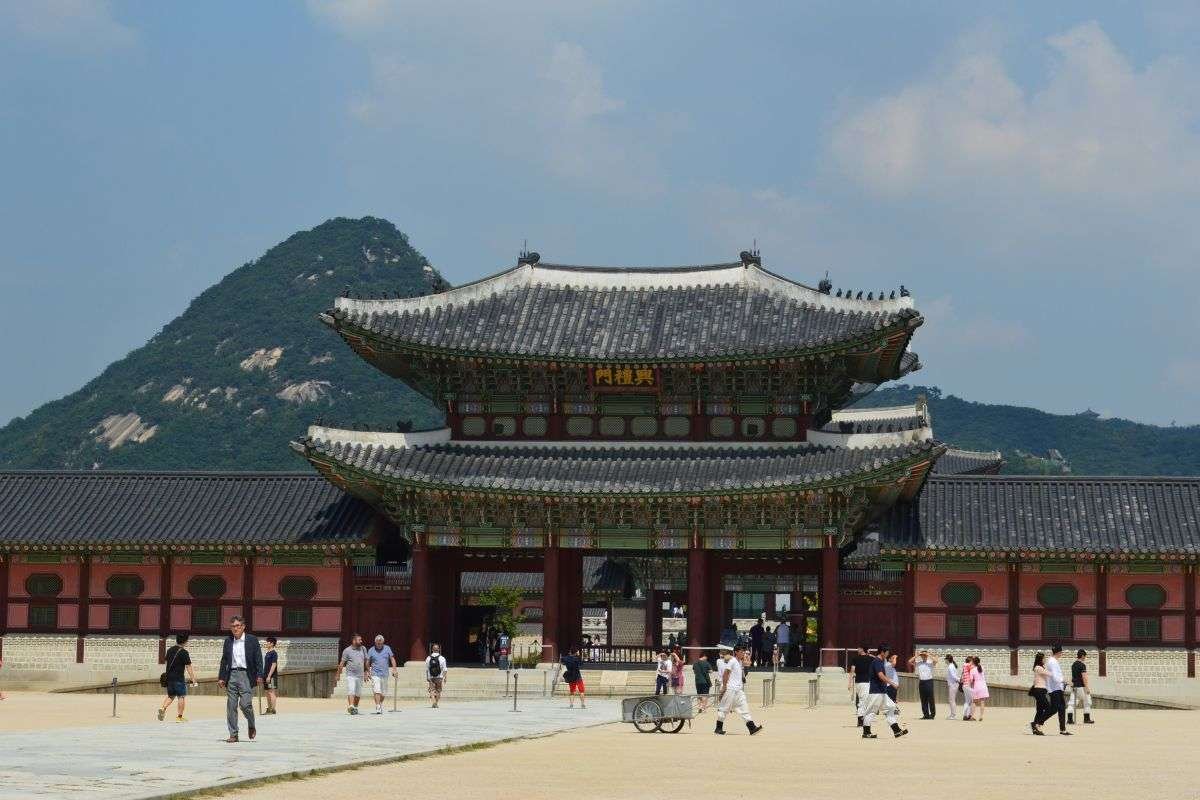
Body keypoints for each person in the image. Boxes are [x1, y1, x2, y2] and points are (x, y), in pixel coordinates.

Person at [217, 615, 263, 743]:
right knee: (231, 706)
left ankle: (251, 723)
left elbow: (258, 658)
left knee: (245, 704)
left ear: (243, 627)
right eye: (233, 626)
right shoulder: (228, 641)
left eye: (237, 626)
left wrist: (259, 675)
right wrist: (221, 677)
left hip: (246, 675)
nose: (235, 628)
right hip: (231, 674)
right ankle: (233, 734)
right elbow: (224, 660)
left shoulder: (252, 640)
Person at [714, 644, 763, 735]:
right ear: (736, 652)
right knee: (724, 708)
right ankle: (718, 728)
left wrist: (746, 657)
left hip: (738, 690)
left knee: (744, 707)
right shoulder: (732, 661)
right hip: (730, 688)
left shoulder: (739, 661)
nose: (743, 653)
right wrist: (724, 687)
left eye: (744, 651)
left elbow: (748, 663)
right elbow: (725, 673)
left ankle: (752, 728)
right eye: (741, 651)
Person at [861, 644, 907, 739]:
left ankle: (897, 731)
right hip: (876, 692)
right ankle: (866, 732)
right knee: (871, 711)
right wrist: (892, 683)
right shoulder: (877, 662)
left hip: (882, 691)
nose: (888, 654)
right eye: (887, 652)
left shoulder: (880, 661)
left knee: (890, 708)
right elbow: (881, 675)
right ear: (882, 652)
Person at [157, 633, 196, 722]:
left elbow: (167, 662)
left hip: (169, 678)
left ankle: (163, 708)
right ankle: (179, 717)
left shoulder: (170, 650)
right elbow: (188, 666)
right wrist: (193, 679)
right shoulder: (184, 652)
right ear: (185, 641)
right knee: (181, 696)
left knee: (171, 695)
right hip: (179, 678)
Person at [335, 633, 368, 715]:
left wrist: (367, 672)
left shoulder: (363, 649)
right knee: (351, 690)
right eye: (359, 640)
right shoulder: (347, 650)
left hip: (360, 675)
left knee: (358, 693)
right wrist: (338, 674)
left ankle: (355, 707)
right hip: (351, 675)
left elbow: (366, 661)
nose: (361, 641)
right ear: (354, 641)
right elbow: (342, 663)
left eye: (361, 640)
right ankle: (351, 706)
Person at [367, 634, 397, 715]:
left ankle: (379, 704)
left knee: (383, 692)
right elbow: (367, 661)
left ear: (383, 642)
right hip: (375, 673)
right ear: (375, 642)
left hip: (385, 673)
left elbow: (392, 659)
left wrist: (394, 669)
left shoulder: (387, 648)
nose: (379, 644)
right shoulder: (371, 650)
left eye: (380, 643)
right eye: (378, 643)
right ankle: (378, 706)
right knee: (377, 690)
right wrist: (367, 671)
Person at [1045, 644, 1071, 735]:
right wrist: (1065, 681)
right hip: (1054, 689)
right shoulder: (1052, 662)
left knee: (1061, 708)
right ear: (1059, 652)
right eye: (1061, 652)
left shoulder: (1053, 661)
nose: (1061, 654)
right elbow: (1056, 677)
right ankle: (1037, 722)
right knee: (1054, 709)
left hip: (1057, 688)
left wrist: (1063, 683)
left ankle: (1063, 729)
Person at [848, 645, 874, 727]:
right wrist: (869, 654)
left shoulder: (855, 659)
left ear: (862, 649)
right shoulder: (870, 659)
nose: (857, 649)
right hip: (866, 682)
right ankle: (860, 720)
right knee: (863, 701)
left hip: (858, 682)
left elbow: (852, 670)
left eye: (859, 648)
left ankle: (861, 719)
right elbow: (879, 659)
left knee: (862, 700)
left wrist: (850, 682)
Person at [1067, 649, 1094, 725]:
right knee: (1087, 702)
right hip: (1081, 687)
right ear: (1082, 656)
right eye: (1085, 656)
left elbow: (1073, 676)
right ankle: (1086, 719)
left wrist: (1071, 684)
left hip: (1074, 686)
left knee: (1072, 703)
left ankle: (1069, 720)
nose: (1085, 658)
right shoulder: (1082, 665)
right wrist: (1087, 687)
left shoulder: (1073, 665)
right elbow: (1084, 677)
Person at [908, 649, 936, 719]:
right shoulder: (919, 663)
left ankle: (932, 715)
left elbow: (936, 661)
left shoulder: (930, 663)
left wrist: (928, 654)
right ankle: (926, 714)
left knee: (930, 699)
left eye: (924, 655)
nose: (924, 656)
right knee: (923, 699)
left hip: (929, 681)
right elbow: (909, 661)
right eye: (922, 655)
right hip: (922, 682)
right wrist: (917, 655)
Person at [1030, 651, 1050, 736]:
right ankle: (1037, 724)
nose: (1045, 660)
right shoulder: (1038, 668)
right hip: (1039, 691)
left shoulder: (1040, 667)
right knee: (1048, 707)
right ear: (1040, 659)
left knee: (1040, 710)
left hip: (1040, 690)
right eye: (1044, 658)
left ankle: (1035, 726)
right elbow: (1049, 674)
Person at [425, 643, 448, 707]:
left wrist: (427, 677)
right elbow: (445, 669)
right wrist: (445, 677)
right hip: (439, 677)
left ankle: (433, 702)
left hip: (431, 677)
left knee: (432, 690)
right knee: (438, 690)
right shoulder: (442, 658)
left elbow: (427, 669)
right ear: (439, 649)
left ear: (432, 650)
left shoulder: (428, 658)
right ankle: (436, 702)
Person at [968, 656, 989, 721]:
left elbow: (971, 680)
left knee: (974, 702)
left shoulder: (972, 670)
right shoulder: (982, 668)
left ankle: (972, 716)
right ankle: (981, 716)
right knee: (982, 702)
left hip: (976, 686)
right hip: (983, 686)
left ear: (973, 662)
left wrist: (969, 686)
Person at [262, 636, 279, 715]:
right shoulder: (267, 653)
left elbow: (274, 664)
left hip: (271, 676)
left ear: (272, 644)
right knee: (267, 692)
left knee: (271, 692)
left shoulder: (274, 653)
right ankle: (269, 708)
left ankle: (273, 709)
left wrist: (269, 676)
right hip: (265, 675)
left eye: (268, 642)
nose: (266, 643)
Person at [944, 654, 961, 720]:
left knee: (951, 700)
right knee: (951, 700)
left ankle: (953, 715)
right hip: (953, 684)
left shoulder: (950, 666)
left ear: (948, 660)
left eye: (945, 659)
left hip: (953, 684)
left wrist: (960, 680)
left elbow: (954, 676)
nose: (945, 660)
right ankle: (952, 714)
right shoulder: (952, 665)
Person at [960, 654, 975, 720]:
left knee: (967, 701)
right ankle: (969, 715)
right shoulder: (968, 665)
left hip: (964, 685)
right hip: (968, 685)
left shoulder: (964, 666)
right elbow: (975, 667)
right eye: (972, 661)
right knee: (972, 700)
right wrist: (975, 660)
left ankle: (965, 715)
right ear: (970, 661)